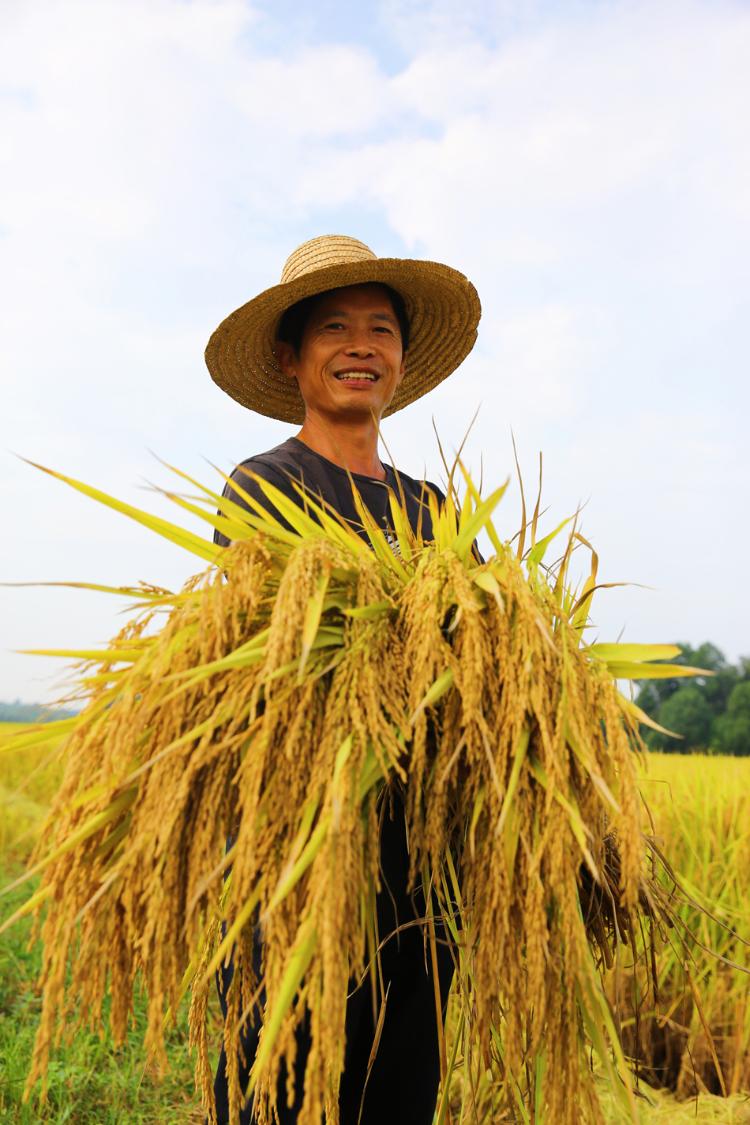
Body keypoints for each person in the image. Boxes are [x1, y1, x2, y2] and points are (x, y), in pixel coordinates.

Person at [204, 234, 481, 1124]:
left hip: (420, 863)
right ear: (291, 357)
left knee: (401, 1089)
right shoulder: (264, 487)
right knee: (280, 1088)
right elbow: (272, 661)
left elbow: (479, 659)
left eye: (380, 328)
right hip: (297, 853)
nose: (361, 344)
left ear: (401, 360)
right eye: (334, 326)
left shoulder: (436, 510)